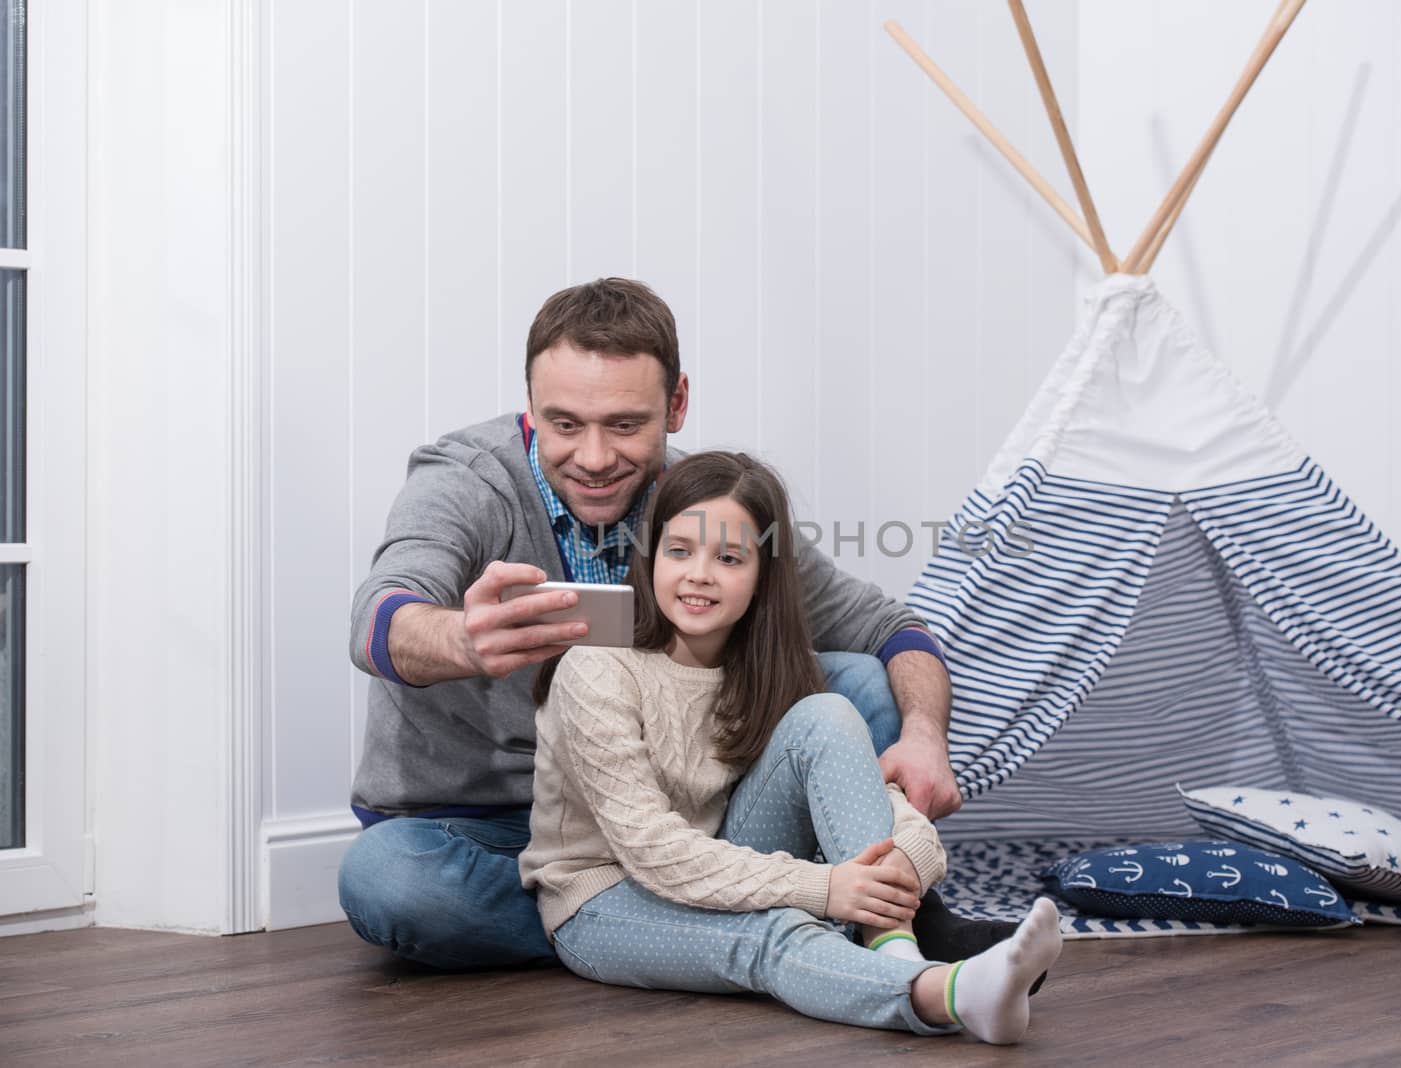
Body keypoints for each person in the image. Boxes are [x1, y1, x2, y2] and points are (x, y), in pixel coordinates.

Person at [338, 277, 1006, 971]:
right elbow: (378, 614)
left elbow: (886, 626)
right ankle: (661, 921)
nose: (594, 458)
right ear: (531, 410)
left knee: (862, 681)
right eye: (564, 424)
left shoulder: (708, 504)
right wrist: (459, 639)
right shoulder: (465, 482)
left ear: (677, 404)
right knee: (387, 880)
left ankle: (895, 919)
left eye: (625, 425)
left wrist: (927, 735)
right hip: (490, 827)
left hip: (677, 816)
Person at [523, 450, 1062, 1043]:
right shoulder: (597, 668)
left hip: (718, 859)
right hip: (602, 899)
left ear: (761, 577)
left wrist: (910, 854)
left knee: (828, 714)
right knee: (774, 930)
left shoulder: (762, 670)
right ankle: (942, 994)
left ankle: (894, 946)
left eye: (728, 557)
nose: (699, 573)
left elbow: (881, 797)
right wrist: (826, 889)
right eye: (679, 551)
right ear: (651, 556)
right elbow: (650, 849)